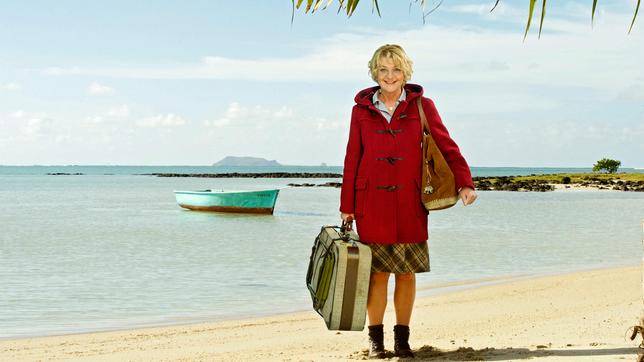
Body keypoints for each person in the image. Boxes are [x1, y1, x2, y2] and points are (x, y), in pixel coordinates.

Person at [339, 44, 477, 359]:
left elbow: (446, 145)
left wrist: (464, 183)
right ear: (375, 72)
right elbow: (352, 158)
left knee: (406, 272)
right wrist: (347, 205)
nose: (390, 76)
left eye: (396, 69)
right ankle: (376, 341)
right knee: (377, 274)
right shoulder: (360, 111)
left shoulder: (422, 106)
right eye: (383, 70)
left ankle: (402, 340)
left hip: (411, 202)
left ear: (406, 73)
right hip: (370, 203)